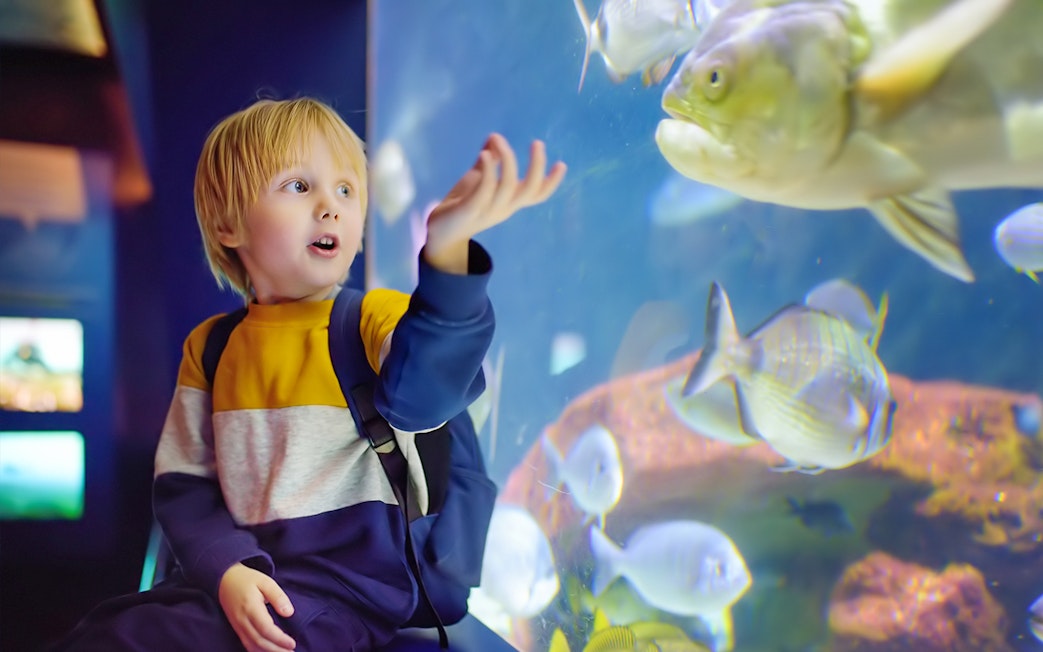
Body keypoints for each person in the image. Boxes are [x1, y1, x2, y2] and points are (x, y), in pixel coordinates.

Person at [54, 96, 566, 652]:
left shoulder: (372, 317)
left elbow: (427, 393)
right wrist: (227, 570)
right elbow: (185, 488)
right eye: (299, 186)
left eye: (346, 190)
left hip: (361, 587)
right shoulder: (211, 348)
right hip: (258, 577)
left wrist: (446, 254)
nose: (331, 205)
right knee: (115, 629)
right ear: (228, 225)